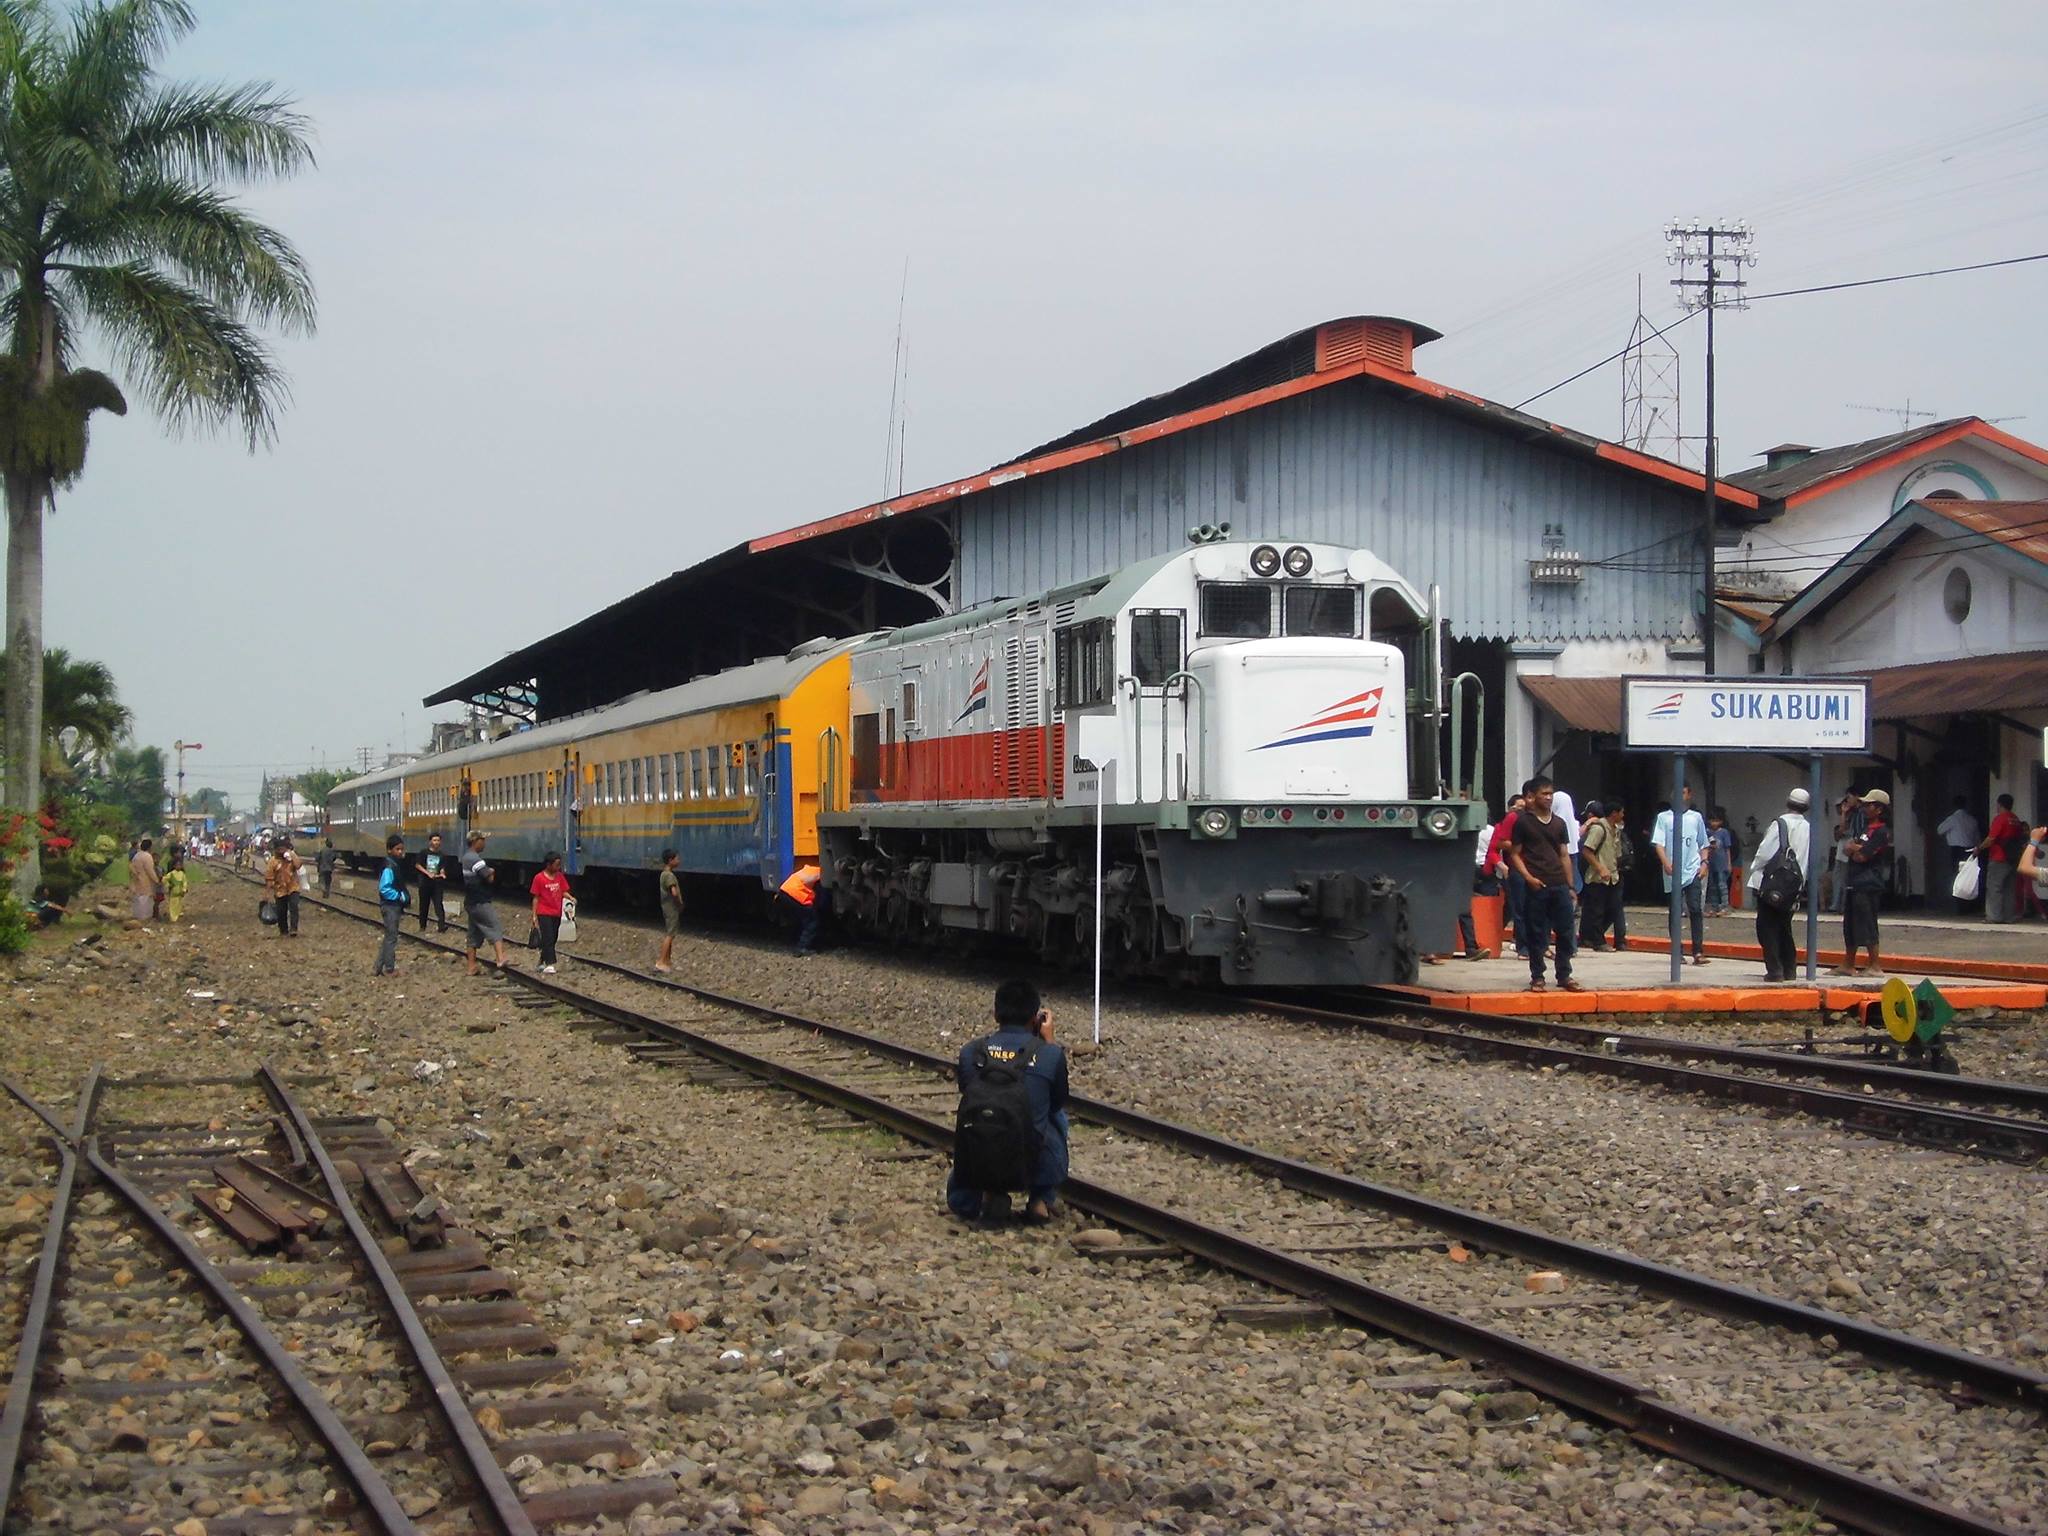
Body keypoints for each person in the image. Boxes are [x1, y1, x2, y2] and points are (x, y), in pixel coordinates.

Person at [946, 979, 1070, 1226]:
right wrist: (1048, 1042)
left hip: (979, 1159)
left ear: (995, 1015)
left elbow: (967, 1090)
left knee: (983, 1115)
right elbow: (1057, 1102)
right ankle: (1040, 1198)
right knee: (1056, 1116)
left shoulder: (971, 1052)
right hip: (1031, 1162)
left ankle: (985, 1194)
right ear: (1036, 1018)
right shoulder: (1050, 1054)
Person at [1506, 775, 1582, 993]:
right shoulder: (1523, 822)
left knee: (1566, 932)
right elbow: (1515, 854)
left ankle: (1564, 974)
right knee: (1536, 932)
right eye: (1544, 794)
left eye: (1550, 793)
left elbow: (1564, 854)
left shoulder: (1559, 823)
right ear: (1533, 796)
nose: (1548, 798)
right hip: (1536, 885)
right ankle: (1537, 975)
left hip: (1559, 884)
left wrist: (1570, 886)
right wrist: (1528, 877)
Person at [1746, 788, 1812, 982]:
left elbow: (1765, 853)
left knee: (1767, 926)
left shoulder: (1780, 824)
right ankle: (1789, 968)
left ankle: (1775, 970)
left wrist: (1754, 868)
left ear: (1788, 802)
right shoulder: (1808, 827)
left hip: (1774, 883)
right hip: (1794, 884)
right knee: (1784, 926)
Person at [1834, 788, 1893, 975]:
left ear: (1879, 809)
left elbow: (1863, 855)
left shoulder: (1882, 831)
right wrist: (1856, 848)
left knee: (1867, 923)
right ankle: (1848, 963)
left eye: (1869, 805)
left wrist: (1856, 848)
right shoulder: (1865, 830)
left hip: (1869, 883)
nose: (1865, 808)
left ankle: (1874, 964)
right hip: (1854, 881)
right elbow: (1848, 849)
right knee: (1850, 924)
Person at [1651, 787, 1710, 965]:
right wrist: (1666, 863)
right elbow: (1658, 843)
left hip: (1692, 870)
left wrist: (1705, 863)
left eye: (1683, 792)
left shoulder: (1695, 817)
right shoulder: (1664, 818)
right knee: (1675, 912)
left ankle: (1698, 951)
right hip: (1673, 871)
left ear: (1689, 795)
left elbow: (1703, 842)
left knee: (1695, 909)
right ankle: (1677, 951)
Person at [1484, 791, 1528, 954]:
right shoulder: (1505, 824)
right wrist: (1502, 865)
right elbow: (1494, 848)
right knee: (1515, 907)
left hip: (1530, 870)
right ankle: (1520, 943)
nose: (1520, 810)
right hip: (1512, 872)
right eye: (1517, 807)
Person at [461, 831, 510, 974]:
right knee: (494, 926)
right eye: (483, 840)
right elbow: (489, 878)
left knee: (473, 933)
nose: (484, 843)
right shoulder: (476, 860)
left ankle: (471, 966)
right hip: (481, 900)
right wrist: (492, 871)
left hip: (470, 901)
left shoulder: (466, 857)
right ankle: (500, 958)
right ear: (476, 841)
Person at [1578, 801, 1624, 950]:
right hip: (1597, 877)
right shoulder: (1599, 829)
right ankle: (1598, 941)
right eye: (1621, 812)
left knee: (1612, 909)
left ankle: (1589, 937)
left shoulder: (1615, 829)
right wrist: (1600, 868)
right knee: (1597, 911)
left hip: (1612, 877)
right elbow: (1587, 850)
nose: (1623, 815)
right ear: (1614, 814)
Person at [1979, 794, 2028, 925]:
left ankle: (1994, 916)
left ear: (1999, 804)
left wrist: (1979, 848)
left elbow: (1991, 839)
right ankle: (2009, 916)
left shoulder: (2000, 819)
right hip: (2013, 858)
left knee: (1994, 887)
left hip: (1999, 857)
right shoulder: (2015, 819)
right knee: (2009, 888)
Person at [1936, 796, 1981, 911]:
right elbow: (1977, 838)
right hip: (1970, 851)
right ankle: (1969, 905)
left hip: (1957, 851)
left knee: (1958, 878)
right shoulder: (1972, 819)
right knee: (1970, 877)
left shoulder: (1952, 819)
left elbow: (1939, 830)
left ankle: (1959, 906)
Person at [529, 852, 569, 974]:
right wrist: (534, 915)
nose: (558, 867)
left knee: (553, 937)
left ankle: (541, 961)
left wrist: (571, 898)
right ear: (548, 864)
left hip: (556, 912)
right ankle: (550, 963)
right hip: (544, 912)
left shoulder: (559, 877)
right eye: (556, 865)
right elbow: (536, 898)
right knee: (548, 937)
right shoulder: (539, 878)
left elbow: (563, 891)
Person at [374, 833, 408, 974]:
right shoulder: (389, 866)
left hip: (392, 905)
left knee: (389, 936)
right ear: (389, 850)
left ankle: (378, 967)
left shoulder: (392, 864)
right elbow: (384, 888)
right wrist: (399, 896)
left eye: (401, 849)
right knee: (391, 937)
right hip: (390, 906)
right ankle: (389, 967)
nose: (400, 852)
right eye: (397, 849)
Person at [412, 831, 455, 933]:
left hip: (437, 883)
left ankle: (441, 926)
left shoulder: (442, 855)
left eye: (438, 840)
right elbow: (418, 865)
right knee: (424, 905)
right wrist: (427, 873)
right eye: (434, 840)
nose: (436, 842)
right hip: (425, 882)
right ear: (430, 841)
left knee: (438, 904)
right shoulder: (423, 852)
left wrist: (442, 873)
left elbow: (442, 867)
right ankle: (422, 926)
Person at [1829, 793, 1865, 913]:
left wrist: (1845, 813)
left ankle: (1843, 905)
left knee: (1845, 879)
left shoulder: (1855, 816)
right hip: (1840, 851)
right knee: (1837, 878)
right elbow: (1838, 835)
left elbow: (1844, 830)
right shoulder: (1844, 817)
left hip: (1849, 851)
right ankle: (1835, 903)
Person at [779, 861, 824, 955]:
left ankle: (794, 940)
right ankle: (802, 947)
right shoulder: (821, 873)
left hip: (783, 892)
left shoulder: (809, 869)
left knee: (800, 919)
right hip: (797, 894)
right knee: (812, 921)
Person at [265, 837, 302, 938]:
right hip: (280, 890)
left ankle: (294, 929)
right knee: (281, 910)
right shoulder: (273, 861)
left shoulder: (291, 858)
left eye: (283, 849)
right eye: (279, 849)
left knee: (294, 907)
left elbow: (298, 865)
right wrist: (267, 893)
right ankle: (283, 930)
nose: (281, 851)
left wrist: (292, 854)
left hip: (293, 887)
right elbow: (269, 878)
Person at [656, 848, 684, 972]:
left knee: (670, 933)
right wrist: (680, 903)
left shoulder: (663, 874)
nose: (679, 860)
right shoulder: (669, 875)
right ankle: (661, 961)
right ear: (670, 860)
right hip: (671, 908)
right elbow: (674, 892)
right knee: (670, 935)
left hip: (667, 907)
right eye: (677, 858)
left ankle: (667, 961)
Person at [1706, 808, 1735, 917]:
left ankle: (1724, 906)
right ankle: (1714, 906)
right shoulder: (1707, 832)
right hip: (1710, 863)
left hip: (1721, 863)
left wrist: (1729, 863)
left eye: (1717, 820)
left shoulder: (1724, 832)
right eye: (1712, 820)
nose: (1714, 823)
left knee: (1722, 885)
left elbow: (1727, 849)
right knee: (1712, 886)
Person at [128, 837, 158, 922]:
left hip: (137, 879)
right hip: (145, 880)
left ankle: (137, 915)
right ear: (149, 847)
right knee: (145, 899)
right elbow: (150, 870)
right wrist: (156, 880)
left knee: (138, 898)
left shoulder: (136, 856)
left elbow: (132, 867)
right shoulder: (147, 856)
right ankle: (144, 917)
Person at [161, 850, 189, 923]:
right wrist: (169, 885)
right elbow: (164, 879)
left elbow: (185, 882)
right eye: (177, 865)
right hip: (173, 891)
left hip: (179, 891)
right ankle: (173, 917)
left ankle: (177, 914)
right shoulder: (171, 874)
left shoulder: (182, 874)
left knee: (179, 904)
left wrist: (184, 889)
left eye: (180, 865)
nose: (178, 866)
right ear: (174, 866)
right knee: (173, 904)